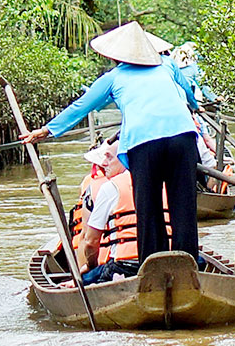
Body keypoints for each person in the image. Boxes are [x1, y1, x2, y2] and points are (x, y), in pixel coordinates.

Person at [22, 22, 203, 262]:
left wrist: (47, 130)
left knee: (148, 209)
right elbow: (188, 94)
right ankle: (188, 261)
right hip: (183, 136)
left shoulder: (114, 77)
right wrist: (196, 107)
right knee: (184, 205)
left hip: (144, 142)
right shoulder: (168, 65)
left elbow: (82, 106)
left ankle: (154, 263)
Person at [73, 143, 168, 284]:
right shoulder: (165, 181)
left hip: (125, 266)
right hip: (167, 262)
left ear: (125, 158)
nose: (104, 163)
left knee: (83, 280)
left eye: (110, 158)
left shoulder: (110, 187)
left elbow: (91, 241)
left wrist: (91, 267)